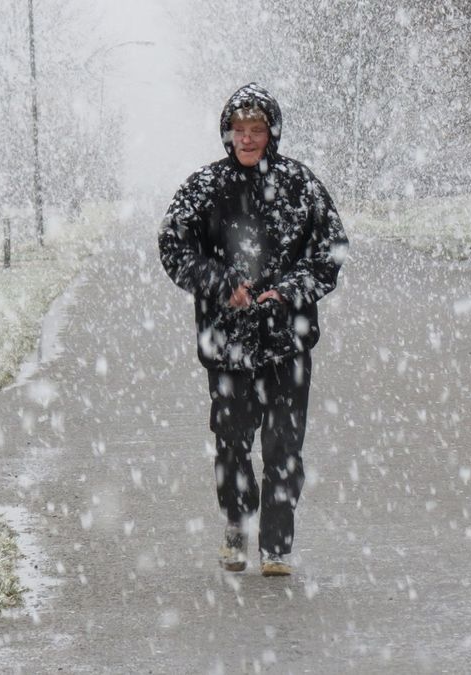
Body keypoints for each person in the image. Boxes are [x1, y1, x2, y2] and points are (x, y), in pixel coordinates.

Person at [158, 83, 348, 576]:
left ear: (272, 132)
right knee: (232, 442)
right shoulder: (204, 188)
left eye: (256, 130)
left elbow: (331, 250)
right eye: (239, 130)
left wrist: (287, 292)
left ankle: (277, 545)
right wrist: (221, 285)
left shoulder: (300, 185)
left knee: (284, 445)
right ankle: (237, 522)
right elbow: (174, 247)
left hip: (289, 343)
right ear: (227, 133)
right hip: (226, 345)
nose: (247, 139)